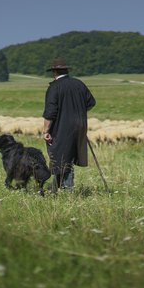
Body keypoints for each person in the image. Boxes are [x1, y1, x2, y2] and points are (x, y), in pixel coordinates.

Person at [42, 58, 96, 192]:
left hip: (62, 128)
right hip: (80, 126)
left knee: (61, 157)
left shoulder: (54, 87)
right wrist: (77, 112)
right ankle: (54, 188)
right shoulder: (79, 84)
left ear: (54, 71)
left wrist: (45, 131)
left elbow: (50, 112)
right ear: (66, 70)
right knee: (67, 156)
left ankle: (68, 190)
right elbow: (91, 103)